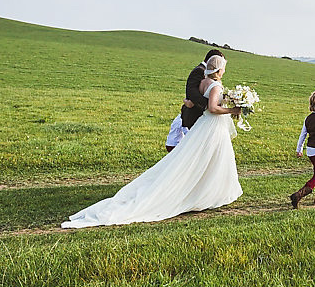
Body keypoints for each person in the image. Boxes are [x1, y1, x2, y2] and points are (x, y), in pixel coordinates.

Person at [62, 55, 242, 227]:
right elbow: (212, 108)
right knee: (214, 158)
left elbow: (206, 100)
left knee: (200, 158)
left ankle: (205, 190)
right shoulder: (216, 86)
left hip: (204, 125)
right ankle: (208, 193)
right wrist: (233, 111)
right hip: (212, 127)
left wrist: (231, 99)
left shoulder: (204, 82)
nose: (224, 72)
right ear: (218, 70)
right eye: (224, 69)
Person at [181, 49, 226, 130]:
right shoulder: (200, 70)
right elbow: (192, 92)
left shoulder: (209, 74)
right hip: (195, 115)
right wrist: (210, 105)